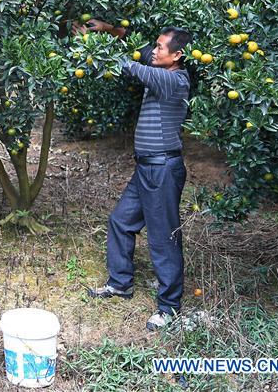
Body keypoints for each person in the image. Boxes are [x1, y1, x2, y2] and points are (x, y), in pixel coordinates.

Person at [75, 19, 193, 332]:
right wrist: (109, 30)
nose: (153, 51)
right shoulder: (160, 66)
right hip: (146, 166)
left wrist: (96, 48)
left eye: (160, 47)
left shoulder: (174, 81)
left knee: (163, 237)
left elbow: (130, 66)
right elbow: (140, 52)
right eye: (155, 45)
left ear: (177, 56)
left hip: (163, 168)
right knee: (121, 221)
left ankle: (168, 308)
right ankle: (120, 283)